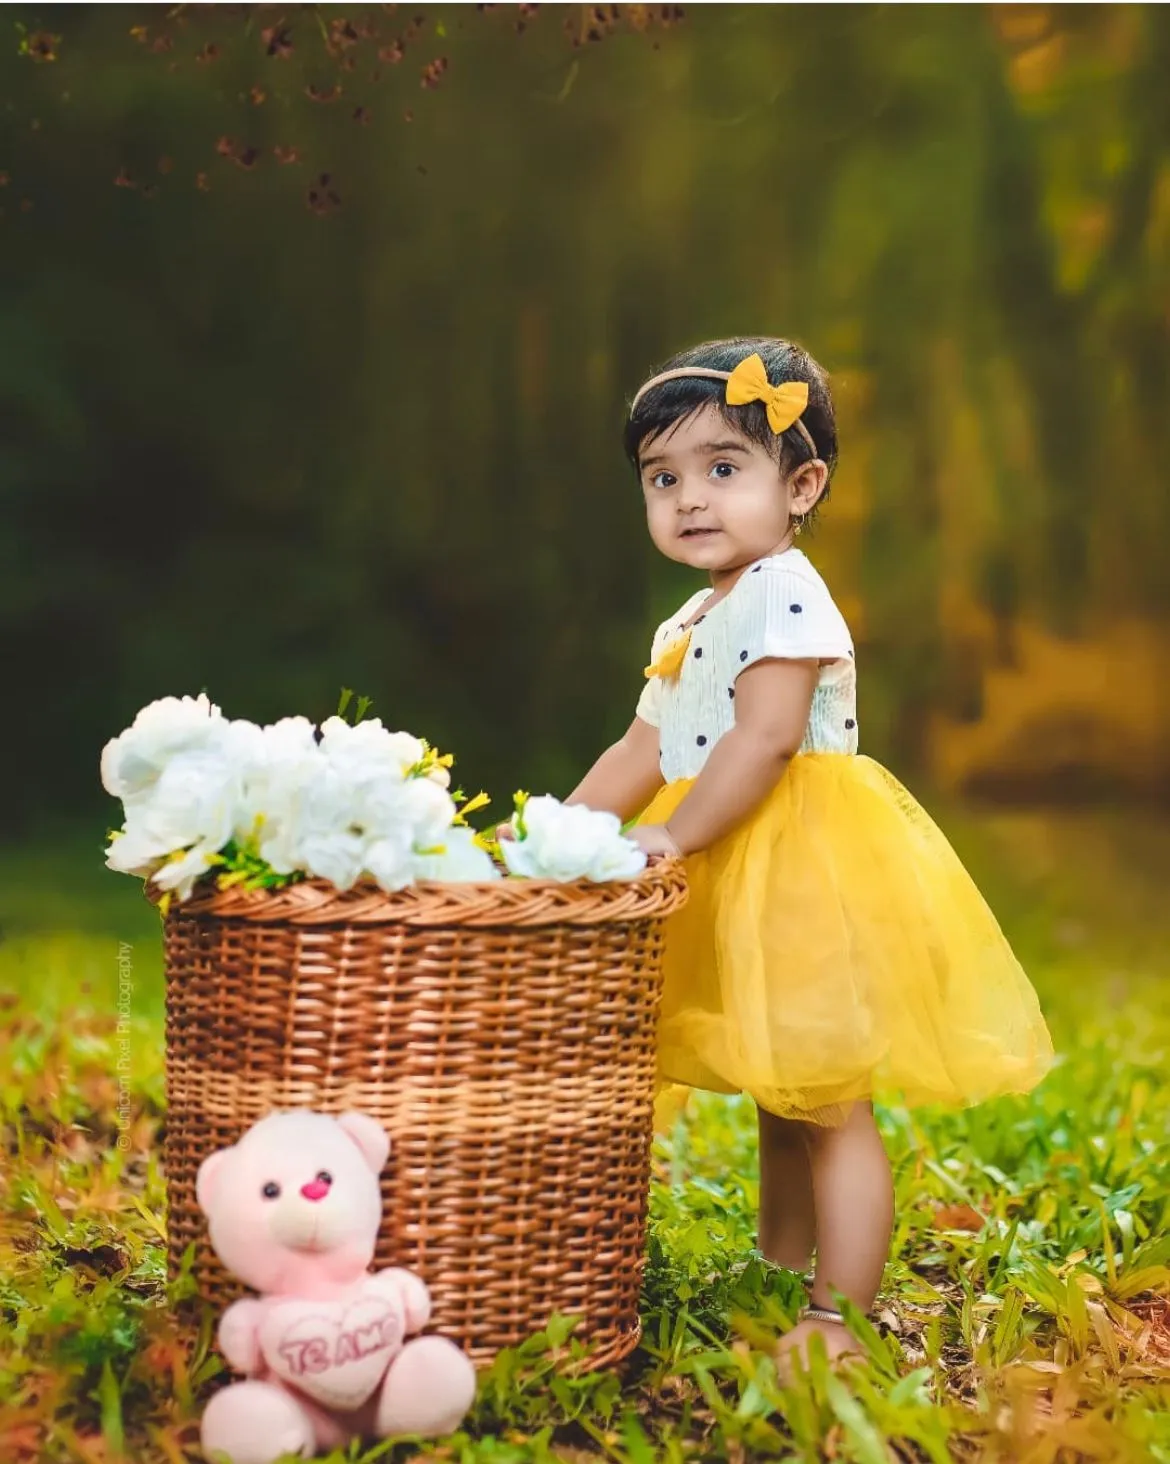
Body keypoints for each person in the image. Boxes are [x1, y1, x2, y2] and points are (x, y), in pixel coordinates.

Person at [558, 336, 1054, 1365]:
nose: (691, 498)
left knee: (825, 1098)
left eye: (722, 469)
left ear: (801, 485)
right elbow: (642, 746)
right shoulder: (696, 614)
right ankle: (780, 1265)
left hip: (792, 858)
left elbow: (767, 737)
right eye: (664, 478)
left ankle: (839, 1315)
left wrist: (672, 835)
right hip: (728, 851)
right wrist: (560, 835)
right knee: (776, 1083)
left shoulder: (785, 590)